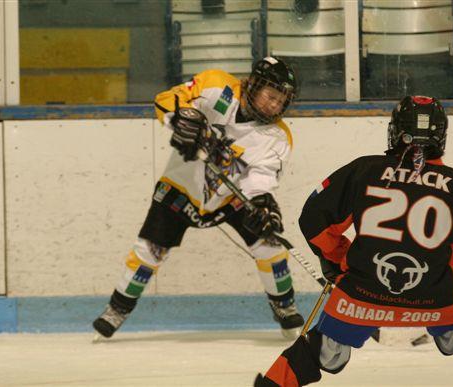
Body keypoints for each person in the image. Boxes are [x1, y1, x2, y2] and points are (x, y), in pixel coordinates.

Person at [254, 95, 453, 387]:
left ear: (395, 131)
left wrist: (337, 259)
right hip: (437, 301)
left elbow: (314, 221)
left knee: (321, 351)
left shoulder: (363, 170)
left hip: (359, 298)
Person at [92, 56, 306, 340]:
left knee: (269, 246)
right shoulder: (217, 86)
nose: (276, 106)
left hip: (232, 197)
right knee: (149, 251)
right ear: (253, 84)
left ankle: (284, 306)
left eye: (282, 101)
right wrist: (180, 119)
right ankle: (117, 309)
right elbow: (169, 99)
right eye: (272, 96)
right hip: (182, 187)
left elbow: (261, 178)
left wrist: (264, 204)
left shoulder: (277, 137)